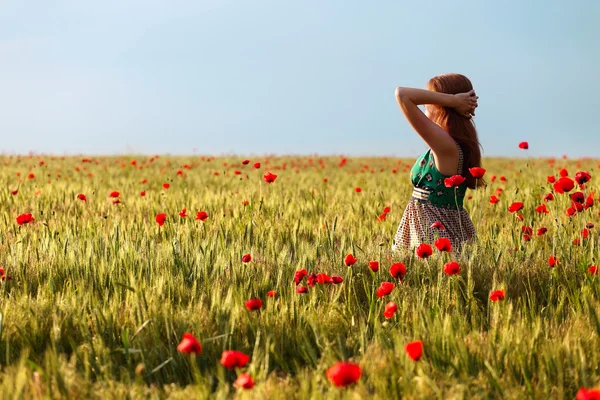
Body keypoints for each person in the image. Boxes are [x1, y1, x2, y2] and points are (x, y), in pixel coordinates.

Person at [391, 73, 484, 253]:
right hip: (431, 228)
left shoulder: (446, 146)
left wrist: (453, 101)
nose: (425, 104)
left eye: (430, 98)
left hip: (431, 234)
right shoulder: (449, 144)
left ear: (445, 105)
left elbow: (402, 95)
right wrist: (453, 101)